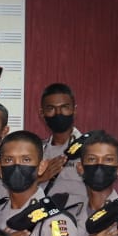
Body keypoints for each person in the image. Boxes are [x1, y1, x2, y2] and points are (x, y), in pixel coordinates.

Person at [37, 83, 87, 213]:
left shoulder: (90, 148)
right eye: (51, 109)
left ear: (74, 110)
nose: (58, 113)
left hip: (81, 220)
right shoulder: (37, 151)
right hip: (45, 220)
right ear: (42, 113)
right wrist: (41, 178)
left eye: (64, 107)